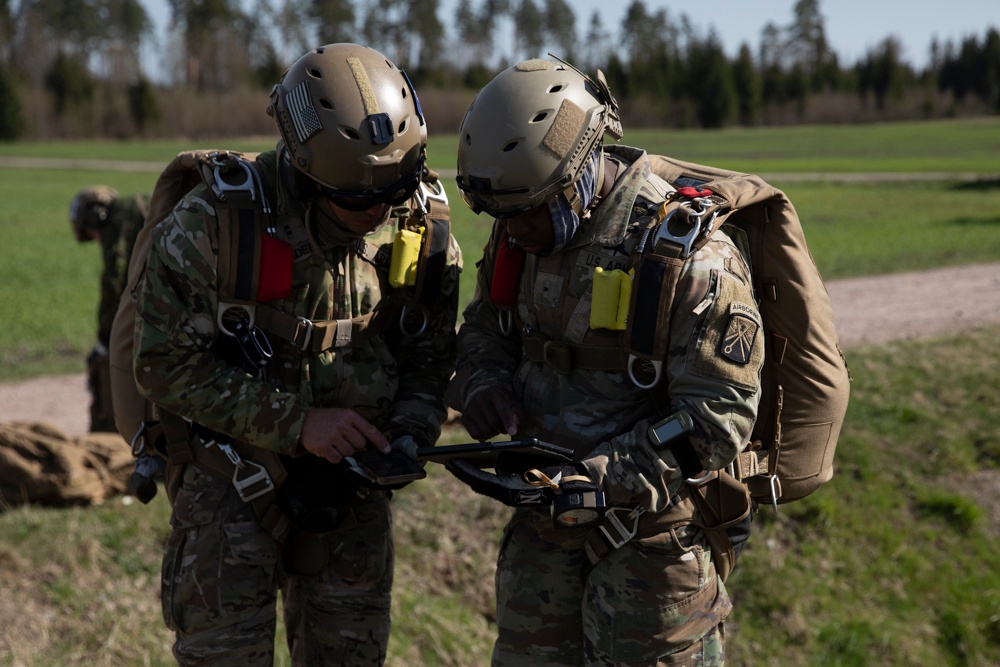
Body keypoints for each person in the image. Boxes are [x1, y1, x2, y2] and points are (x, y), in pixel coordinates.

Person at [132, 44, 461, 665]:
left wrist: (412, 433)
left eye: (397, 188)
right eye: (358, 200)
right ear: (309, 176)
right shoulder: (216, 224)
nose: (380, 212)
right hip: (231, 487)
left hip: (353, 497)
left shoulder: (418, 224)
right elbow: (161, 366)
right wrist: (298, 424)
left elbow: (429, 353)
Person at [447, 57, 763, 665]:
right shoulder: (520, 227)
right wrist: (485, 384)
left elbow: (718, 418)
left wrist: (602, 477)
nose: (512, 231)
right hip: (542, 546)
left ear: (579, 171)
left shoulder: (686, 256)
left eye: (530, 211)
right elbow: (488, 329)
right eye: (501, 217)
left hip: (652, 559)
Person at [69, 185, 148, 432]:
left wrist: (105, 339)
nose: (96, 239)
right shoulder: (137, 207)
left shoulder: (119, 223)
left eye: (90, 232)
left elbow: (115, 283)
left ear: (96, 216)